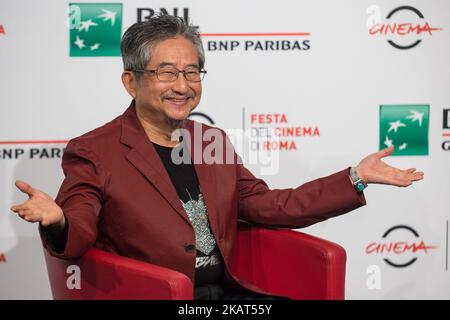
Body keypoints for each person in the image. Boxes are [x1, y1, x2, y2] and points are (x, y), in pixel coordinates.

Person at [10, 14, 424, 300]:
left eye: (192, 72)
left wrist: (354, 177)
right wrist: (60, 219)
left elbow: (267, 205)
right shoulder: (94, 150)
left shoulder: (212, 141)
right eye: (166, 72)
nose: (183, 85)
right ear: (131, 82)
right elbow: (79, 225)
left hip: (229, 296)